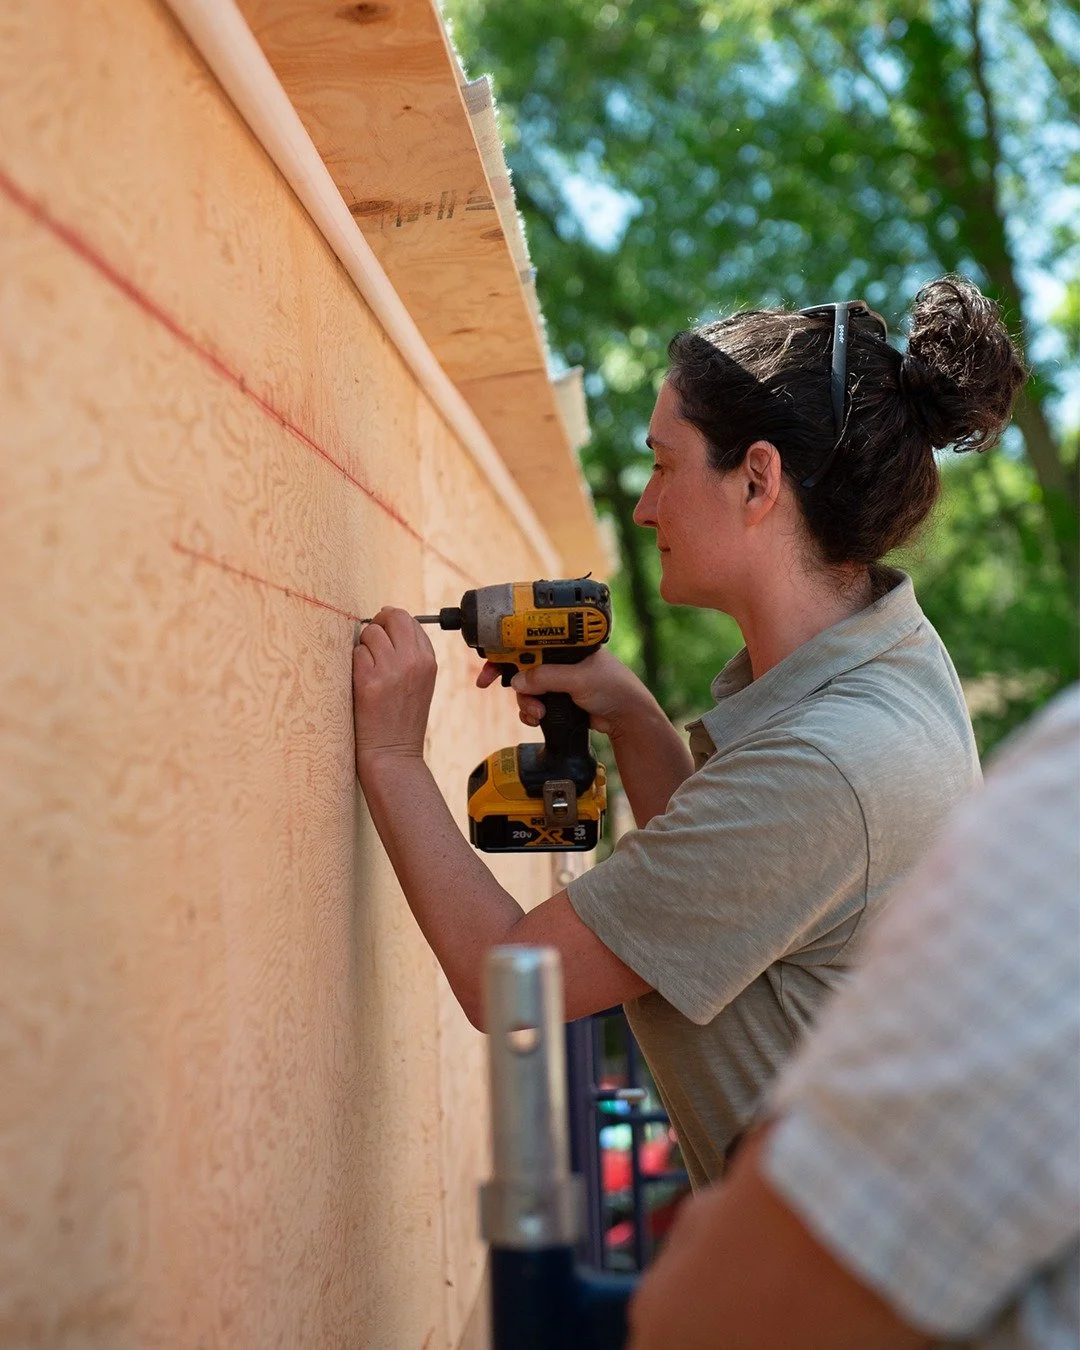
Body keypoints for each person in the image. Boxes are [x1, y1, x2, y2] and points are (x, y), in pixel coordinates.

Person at [352, 276, 1026, 1187]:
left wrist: (392, 757)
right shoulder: (889, 659)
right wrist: (629, 712)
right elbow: (733, 899)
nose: (643, 507)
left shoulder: (825, 769)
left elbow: (500, 980)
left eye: (664, 466)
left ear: (757, 480)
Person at [627, 685, 1080, 1350]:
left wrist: (408, 752)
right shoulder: (912, 691)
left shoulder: (832, 756)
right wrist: (633, 717)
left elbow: (726, 1315)